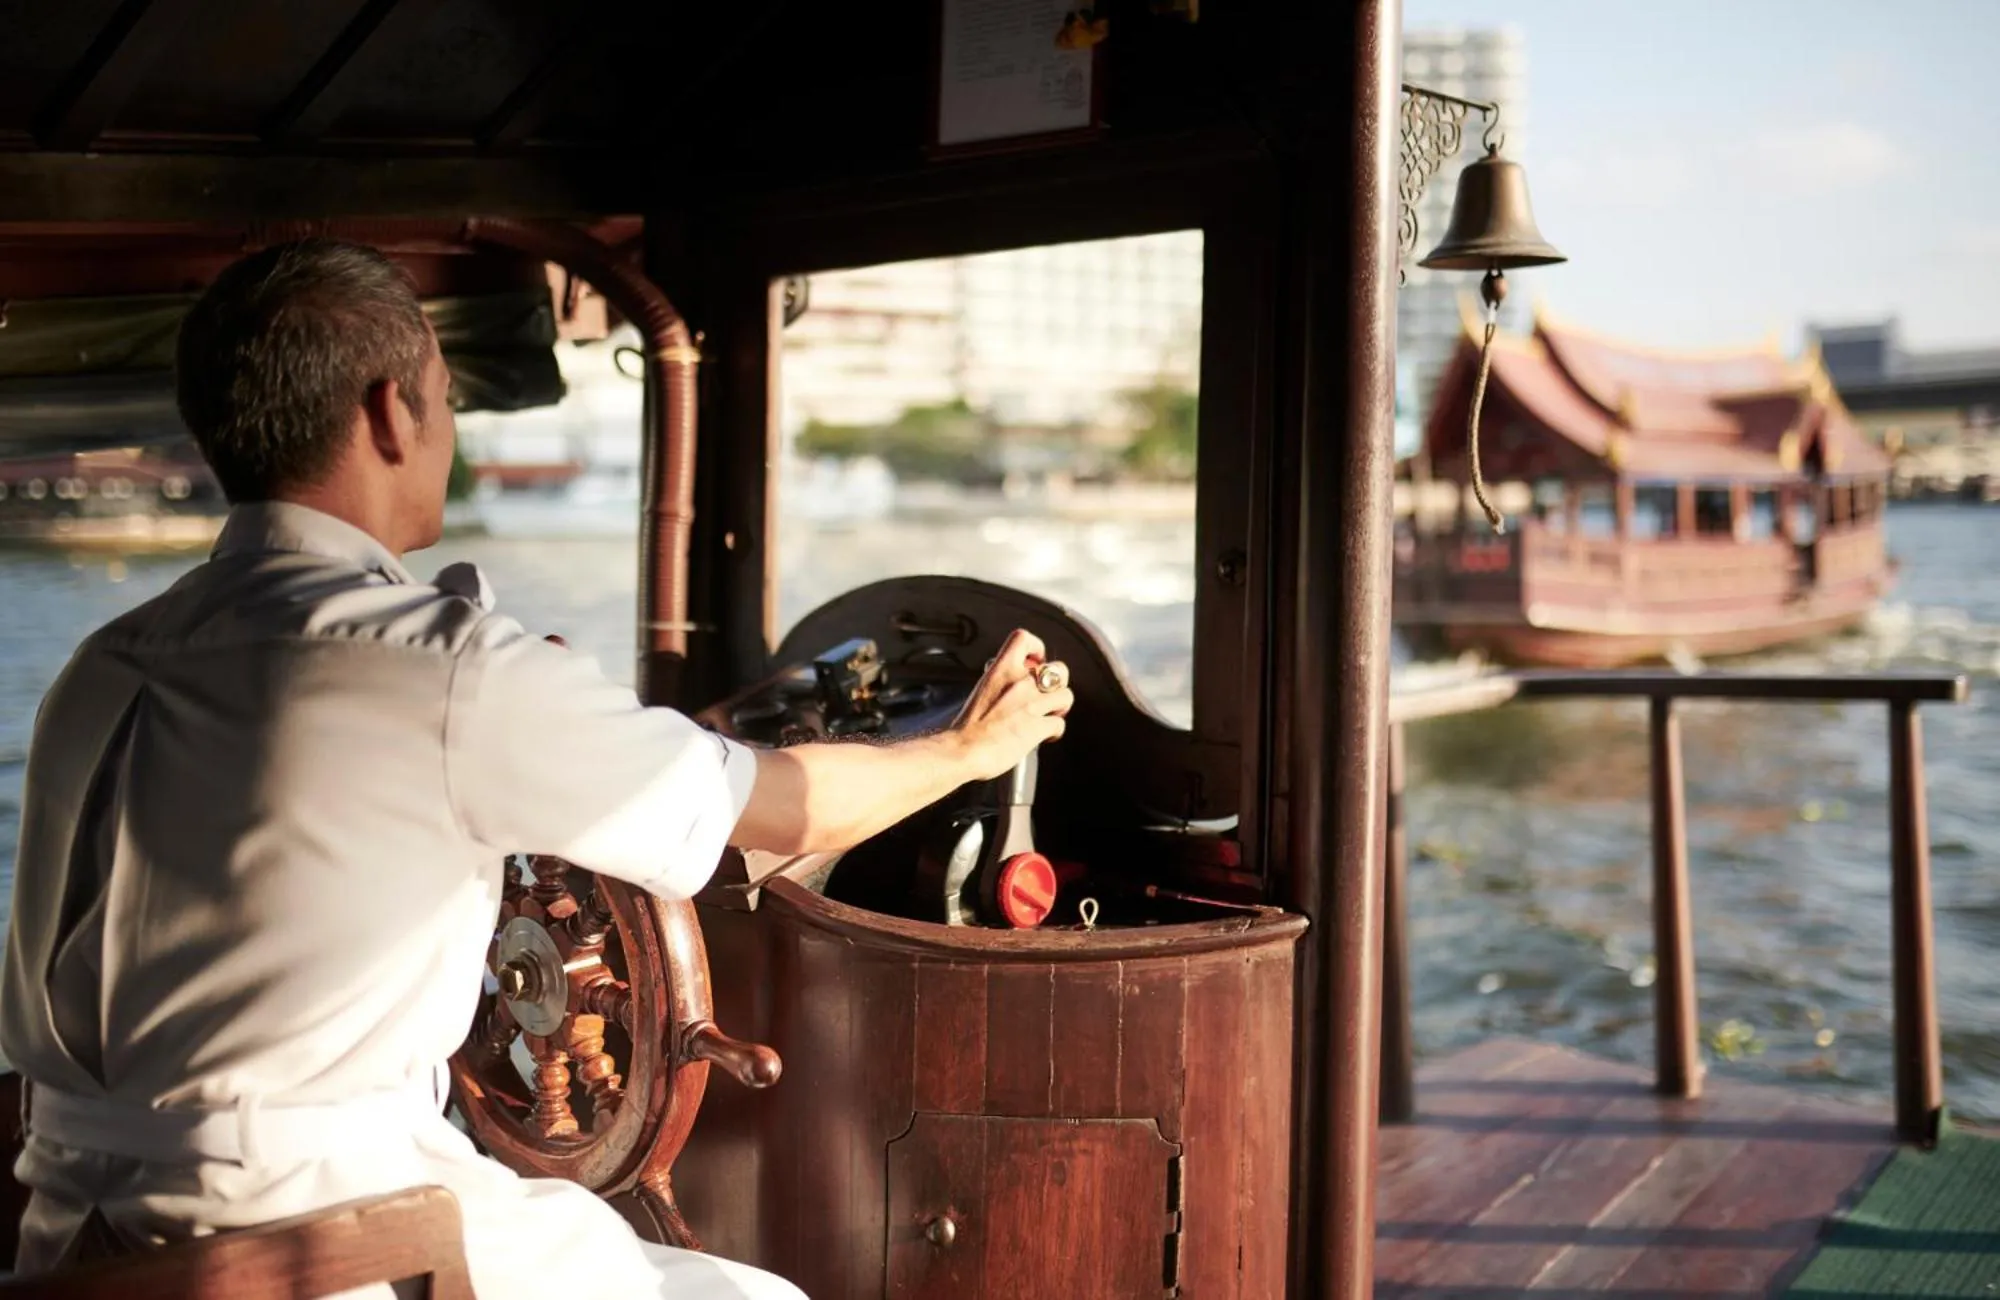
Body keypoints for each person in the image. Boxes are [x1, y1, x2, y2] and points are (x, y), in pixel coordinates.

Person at [0, 240, 1074, 1299]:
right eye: (443, 395)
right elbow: (778, 808)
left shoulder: (102, 666)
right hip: (310, 1241)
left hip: (75, 1237)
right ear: (388, 412)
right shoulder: (437, 665)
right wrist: (970, 748)